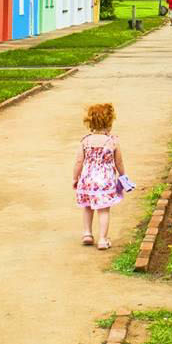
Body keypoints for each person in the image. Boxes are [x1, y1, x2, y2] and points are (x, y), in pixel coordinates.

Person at [73, 103, 126, 250]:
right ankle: (102, 239)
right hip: (104, 181)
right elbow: (119, 162)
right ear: (109, 123)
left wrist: (75, 178)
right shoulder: (112, 141)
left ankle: (87, 234)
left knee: (87, 207)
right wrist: (123, 176)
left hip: (87, 180)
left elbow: (79, 161)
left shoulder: (85, 141)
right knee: (103, 210)